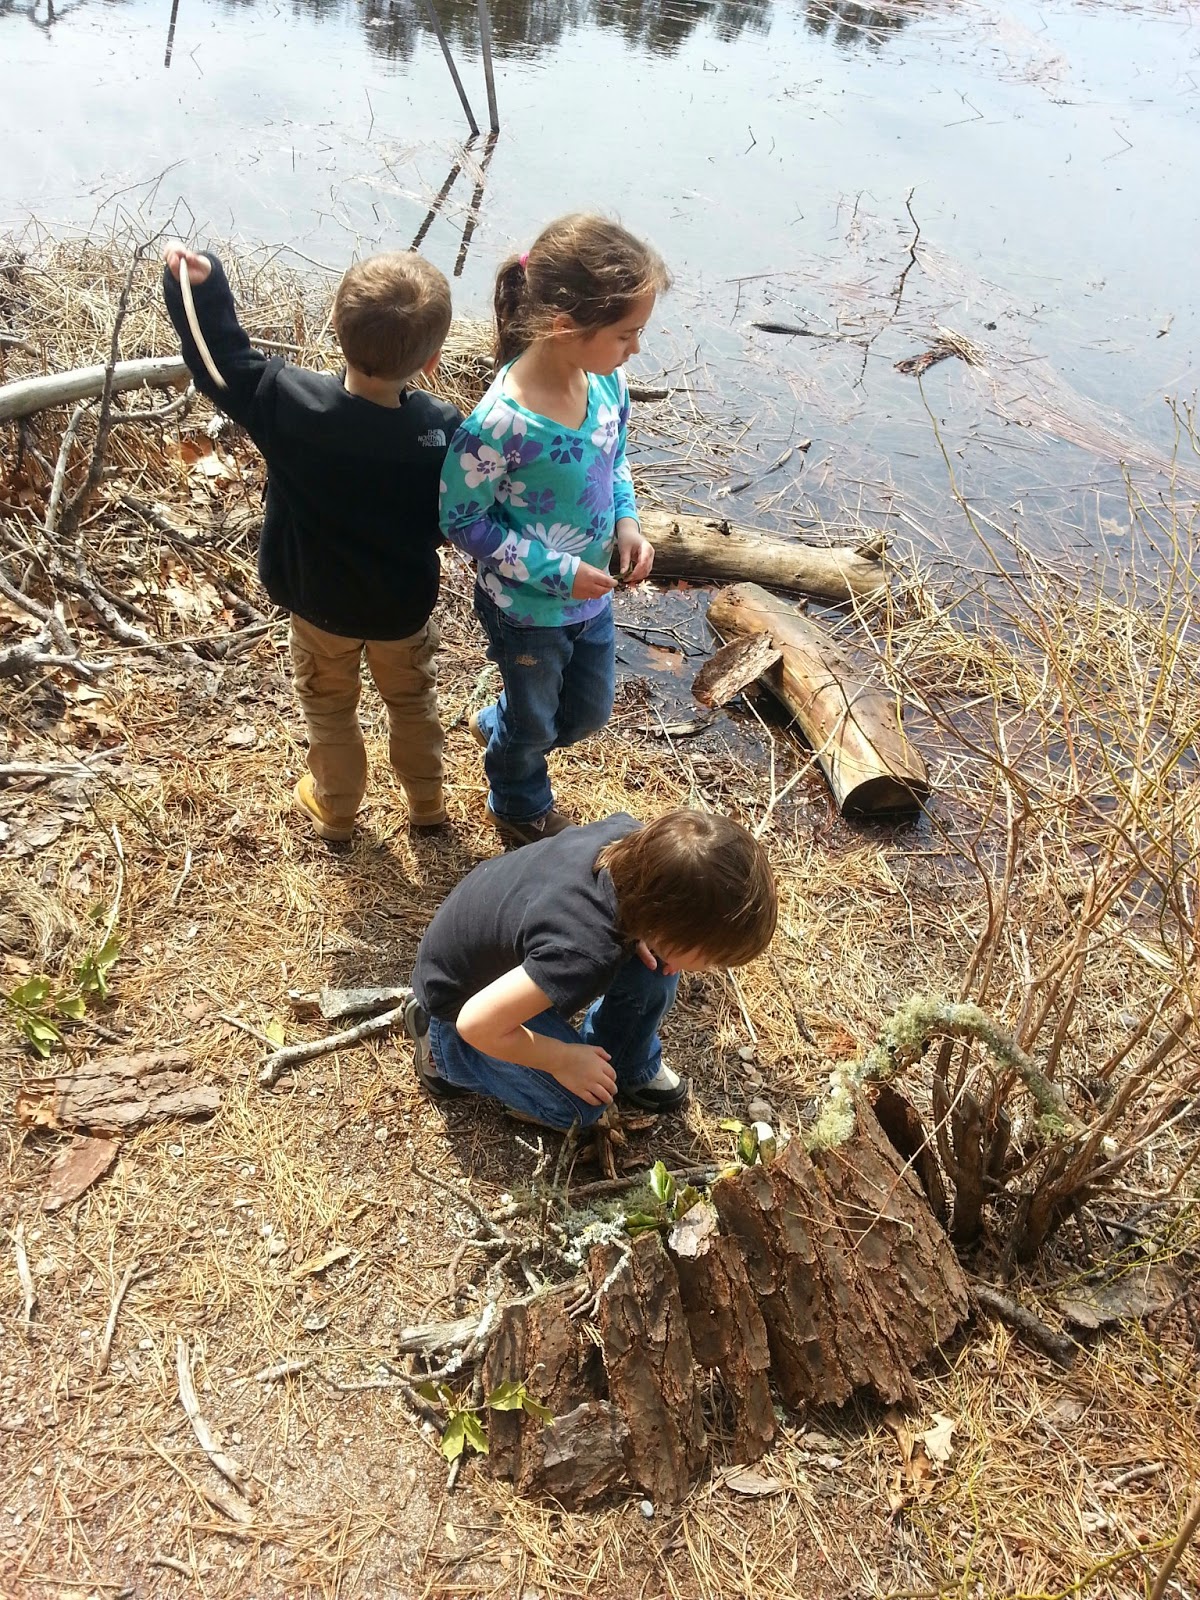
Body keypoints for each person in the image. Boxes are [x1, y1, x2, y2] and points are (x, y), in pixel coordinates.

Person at [162, 242, 460, 841]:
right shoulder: (443, 428)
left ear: (336, 329)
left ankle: (338, 809)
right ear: (431, 360)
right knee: (412, 703)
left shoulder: (290, 403)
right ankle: (427, 806)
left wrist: (199, 285)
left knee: (329, 707)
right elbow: (453, 519)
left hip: (320, 604)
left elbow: (220, 362)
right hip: (401, 609)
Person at [439, 214, 671, 846]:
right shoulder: (499, 425)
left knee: (587, 714)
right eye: (626, 334)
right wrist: (559, 573)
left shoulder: (606, 381)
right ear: (566, 327)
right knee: (536, 726)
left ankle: (501, 722)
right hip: (527, 609)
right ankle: (519, 803)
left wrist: (627, 521)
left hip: (591, 600)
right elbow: (463, 521)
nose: (635, 349)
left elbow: (613, 460)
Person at [409, 809, 777, 1129]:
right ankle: (442, 1053)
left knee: (654, 974)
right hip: (463, 1001)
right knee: (580, 1107)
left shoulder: (631, 842)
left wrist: (644, 935)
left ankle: (627, 1063)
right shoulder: (583, 953)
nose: (710, 968)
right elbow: (475, 1022)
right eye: (712, 958)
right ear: (669, 929)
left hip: (510, 941)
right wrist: (562, 1059)